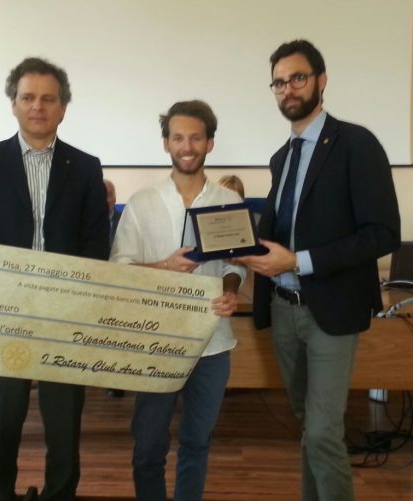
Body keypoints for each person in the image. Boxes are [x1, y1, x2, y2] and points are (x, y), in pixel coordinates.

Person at [237, 39, 400, 501]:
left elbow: (382, 234)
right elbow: (282, 232)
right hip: (283, 310)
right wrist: (243, 250)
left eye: (298, 78)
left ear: (321, 81)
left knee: (325, 432)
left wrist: (298, 261)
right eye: (279, 82)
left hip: (331, 311)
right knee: (309, 426)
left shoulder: (356, 144)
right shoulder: (282, 157)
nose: (288, 89)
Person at [0, 57, 109, 501]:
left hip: (64, 319)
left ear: (63, 107)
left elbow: (95, 246)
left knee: (64, 429)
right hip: (5, 316)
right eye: (28, 97)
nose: (38, 106)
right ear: (13, 103)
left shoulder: (86, 167)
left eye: (48, 98)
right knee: (1, 426)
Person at [110, 100, 246, 500]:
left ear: (210, 143)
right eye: (178, 138)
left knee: (197, 443)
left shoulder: (228, 201)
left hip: (212, 343)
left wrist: (231, 289)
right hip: (155, 342)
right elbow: (119, 269)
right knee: (148, 447)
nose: (187, 147)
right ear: (166, 143)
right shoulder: (142, 203)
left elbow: (236, 264)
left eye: (196, 138)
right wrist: (165, 266)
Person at [103, 178, 125, 398]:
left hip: (119, 289)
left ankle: (114, 380)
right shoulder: (85, 221)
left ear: (115, 199)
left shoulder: (125, 222)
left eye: (107, 196)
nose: (104, 201)